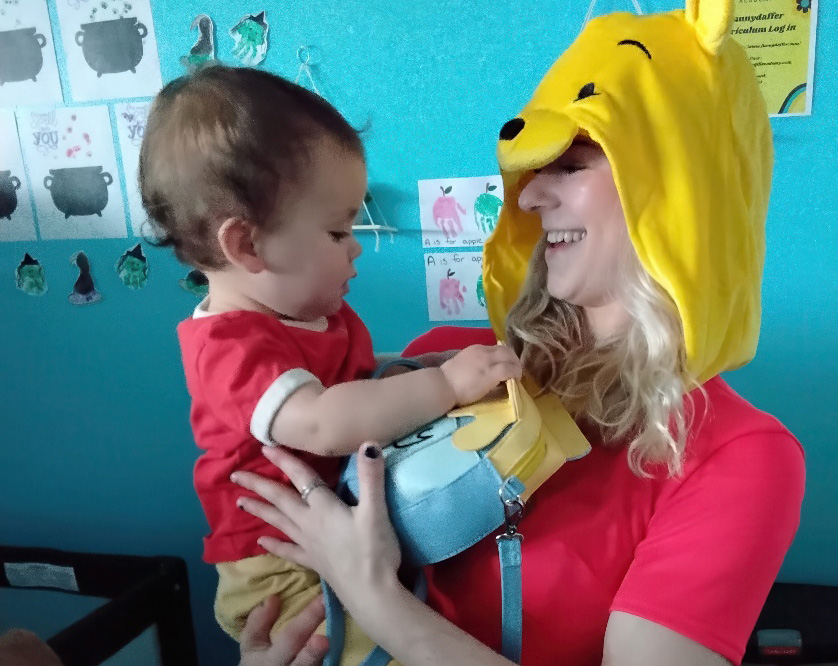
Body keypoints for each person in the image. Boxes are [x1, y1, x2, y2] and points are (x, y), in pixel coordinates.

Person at [232, 3, 806, 665]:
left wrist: (372, 596)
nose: (530, 199)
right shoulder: (438, 368)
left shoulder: (741, 458)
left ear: (680, 183)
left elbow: (365, 581)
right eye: (532, 172)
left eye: (570, 165)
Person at [137, 65, 521, 655]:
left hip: (332, 530)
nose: (356, 245)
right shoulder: (229, 350)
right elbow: (326, 421)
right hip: (278, 565)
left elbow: (358, 378)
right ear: (247, 245)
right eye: (338, 231)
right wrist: (444, 383)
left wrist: (430, 365)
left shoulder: (304, 315)